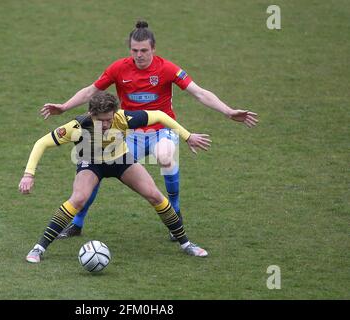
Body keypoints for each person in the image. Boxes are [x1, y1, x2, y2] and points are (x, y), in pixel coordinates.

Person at [40, 21, 258, 240]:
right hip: (129, 132)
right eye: (134, 50)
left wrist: (228, 112)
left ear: (153, 48)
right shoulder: (118, 68)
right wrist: (64, 107)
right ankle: (77, 223)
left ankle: (175, 210)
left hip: (161, 129)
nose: (139, 55)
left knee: (164, 156)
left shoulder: (167, 69)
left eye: (144, 50)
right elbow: (91, 91)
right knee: (98, 165)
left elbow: (199, 93)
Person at [19, 92, 212, 263]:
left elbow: (160, 115)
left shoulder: (123, 118)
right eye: (100, 120)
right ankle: (39, 248)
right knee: (78, 199)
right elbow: (42, 142)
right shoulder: (77, 125)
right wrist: (29, 174)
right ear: (91, 114)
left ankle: (186, 244)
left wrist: (187, 136)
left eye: (108, 120)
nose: (105, 125)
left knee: (154, 195)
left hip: (121, 159)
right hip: (91, 162)